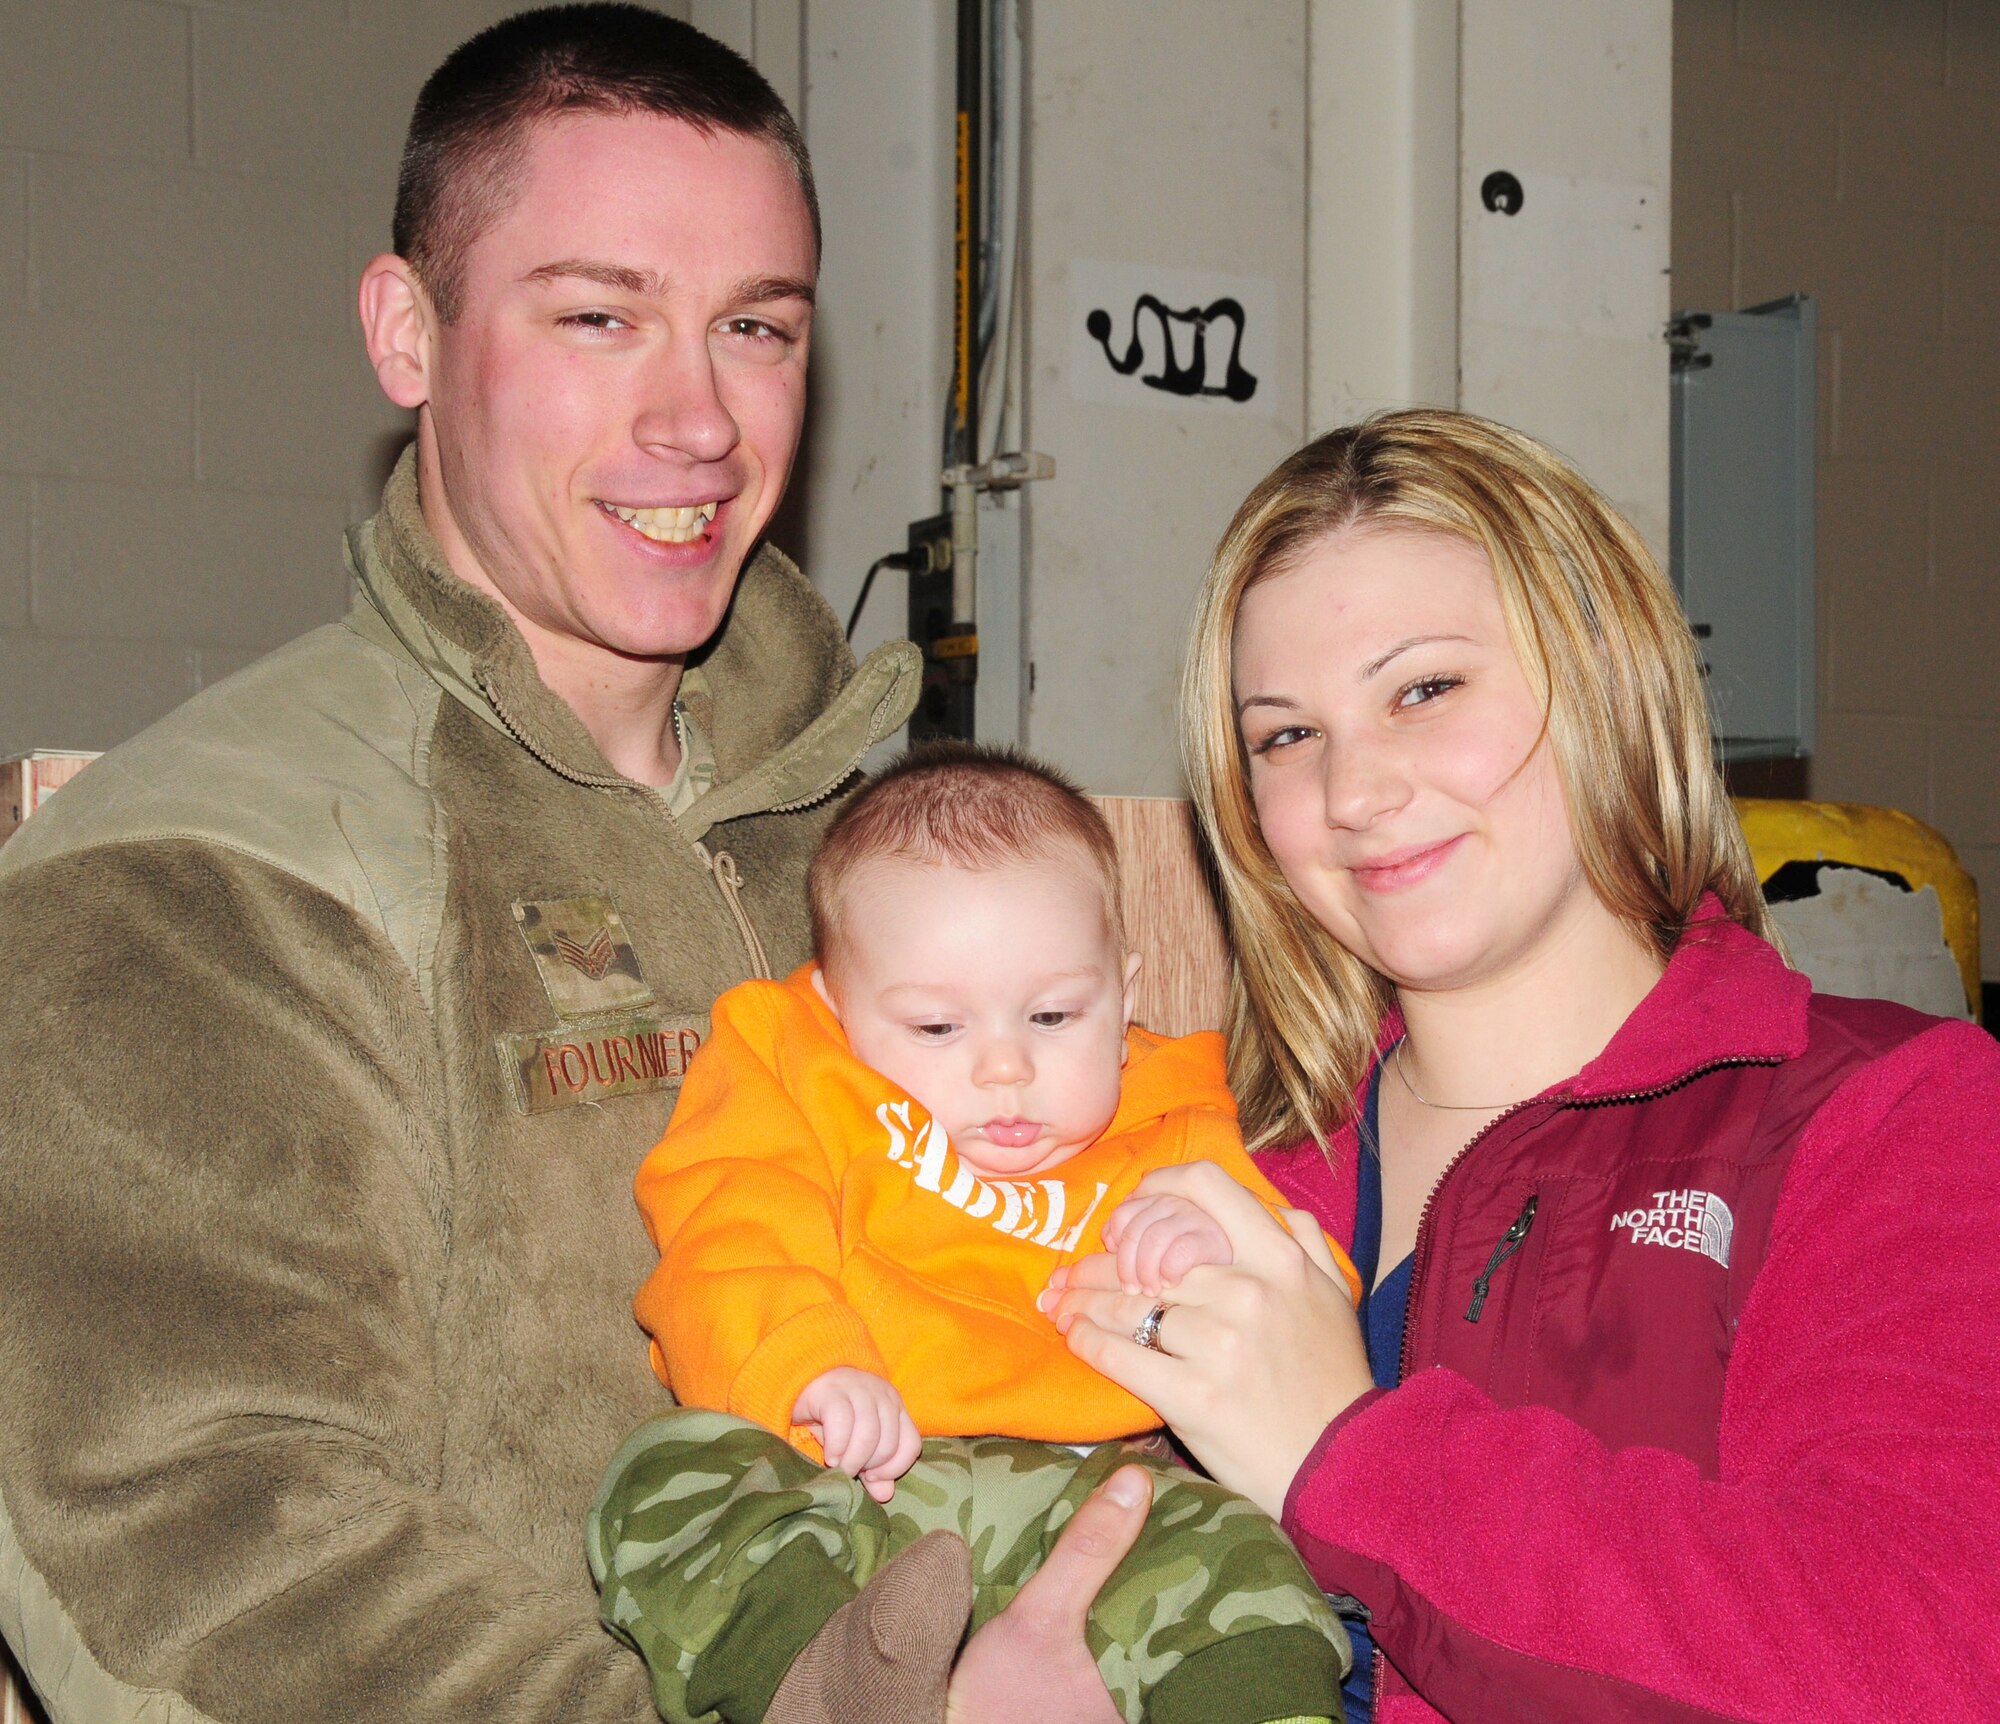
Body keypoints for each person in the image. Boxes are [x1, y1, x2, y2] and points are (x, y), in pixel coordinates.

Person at [0, 10, 1153, 1721]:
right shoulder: (200, 875)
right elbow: (213, 1546)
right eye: (600, 316)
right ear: (408, 330)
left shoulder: (889, 843)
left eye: (753, 327)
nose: (694, 417)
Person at [1044, 408, 2000, 1723]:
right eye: (1285, 736)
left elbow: (1917, 1664)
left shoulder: (1894, 1111)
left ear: (1602, 676)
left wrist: (1351, 1457)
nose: (1357, 788)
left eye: (1423, 689)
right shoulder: (1216, 1166)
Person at [589, 744, 1356, 1724]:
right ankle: (822, 1685)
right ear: (832, 1006)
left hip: (1105, 1487)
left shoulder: (1176, 1112)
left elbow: (1304, 1281)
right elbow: (726, 1222)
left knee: (1242, 1558)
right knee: (671, 1475)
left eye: (1050, 1013)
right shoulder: (790, 1065)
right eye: (935, 1028)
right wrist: (806, 1367)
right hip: (855, 1488)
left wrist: (1208, 1236)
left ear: (1122, 995)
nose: (1003, 1066)